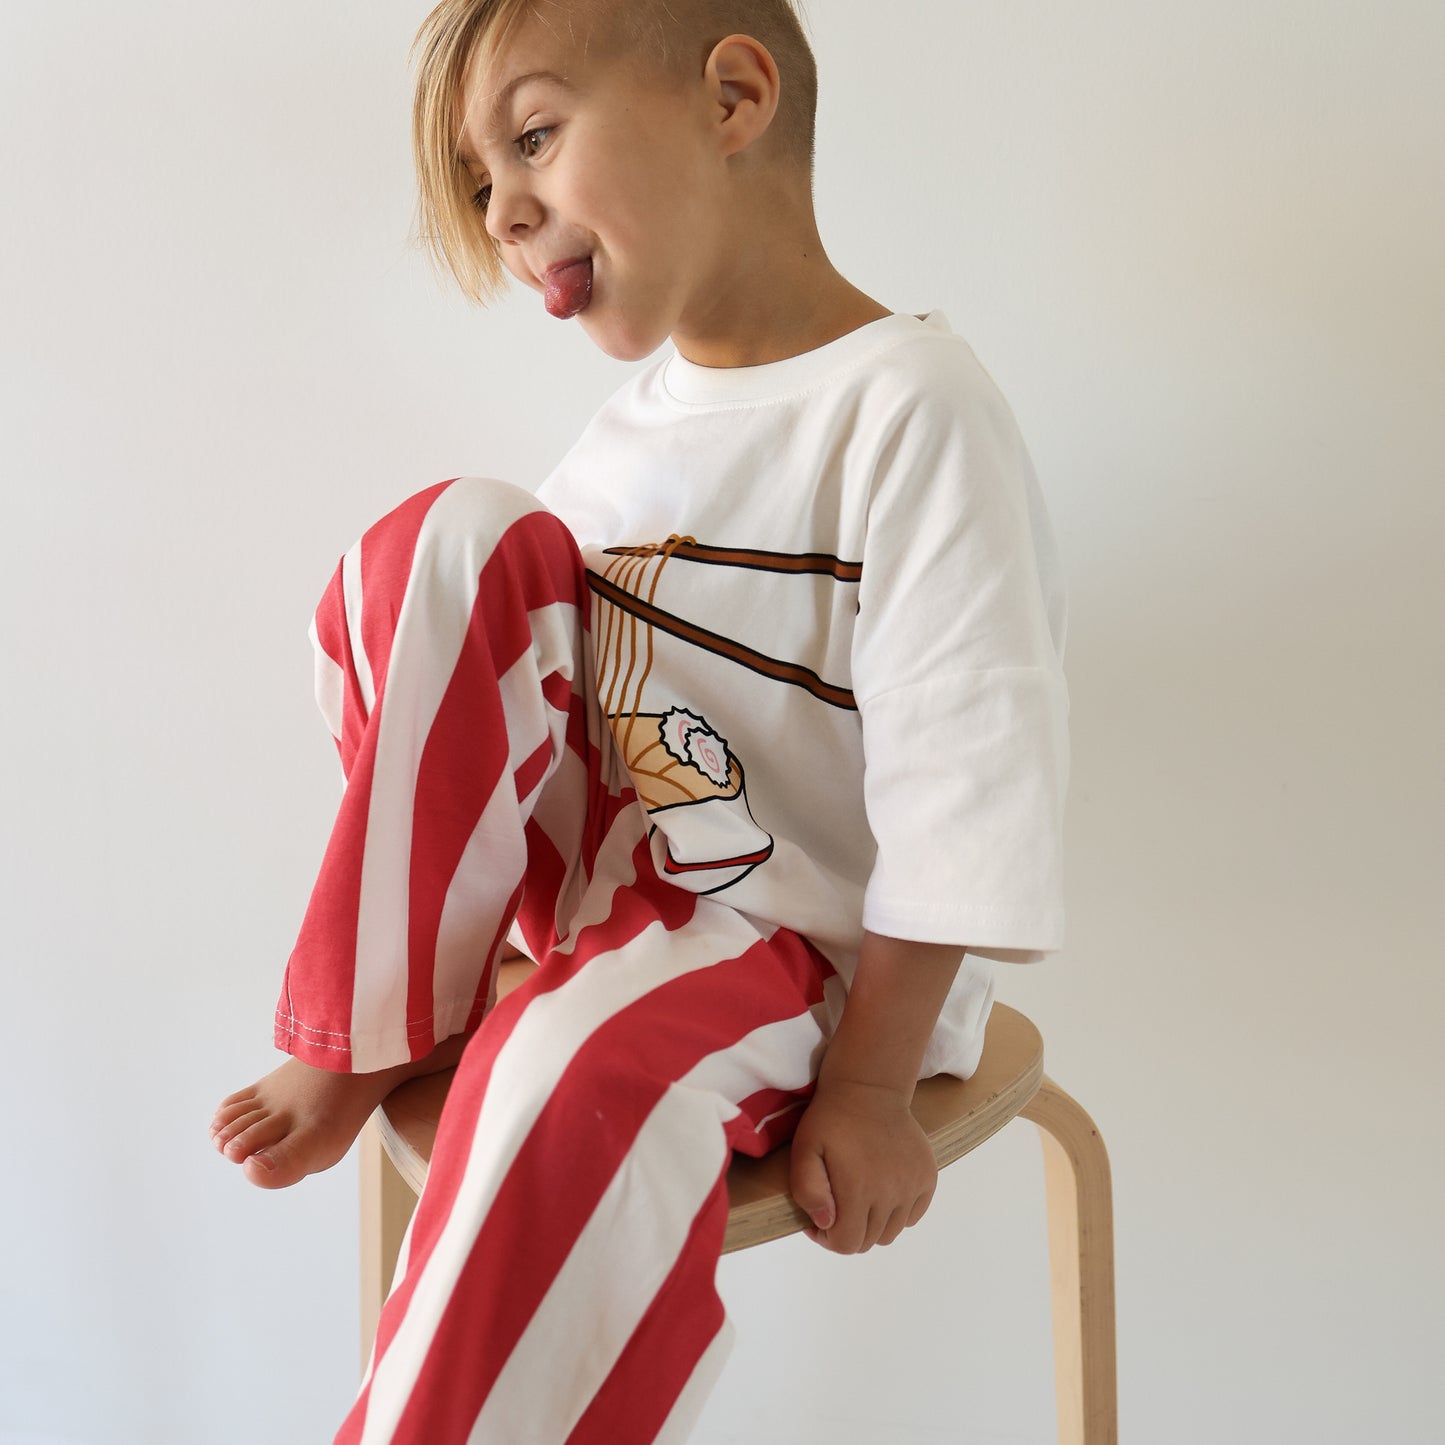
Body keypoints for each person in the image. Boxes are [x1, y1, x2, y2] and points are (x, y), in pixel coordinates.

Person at [208, 0, 1069, 1439]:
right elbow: (499, 688)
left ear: (733, 100)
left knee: (558, 1076)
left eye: (534, 137)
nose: (503, 210)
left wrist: (869, 1085)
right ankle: (388, 1015)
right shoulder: (626, 438)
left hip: (804, 947)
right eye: (482, 179)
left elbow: (967, 774)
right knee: (456, 537)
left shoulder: (909, 407)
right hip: (616, 892)